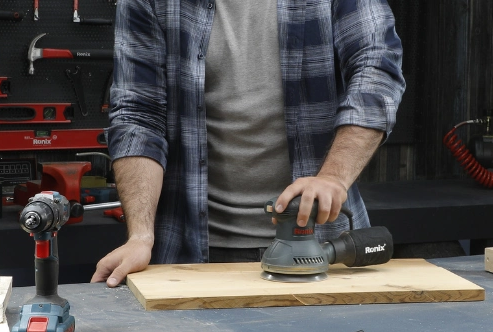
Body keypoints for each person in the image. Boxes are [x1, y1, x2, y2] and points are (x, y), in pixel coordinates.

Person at [91, 0, 405, 287]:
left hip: (322, 250)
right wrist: (140, 237)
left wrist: (334, 177)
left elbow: (376, 69)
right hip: (191, 258)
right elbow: (138, 115)